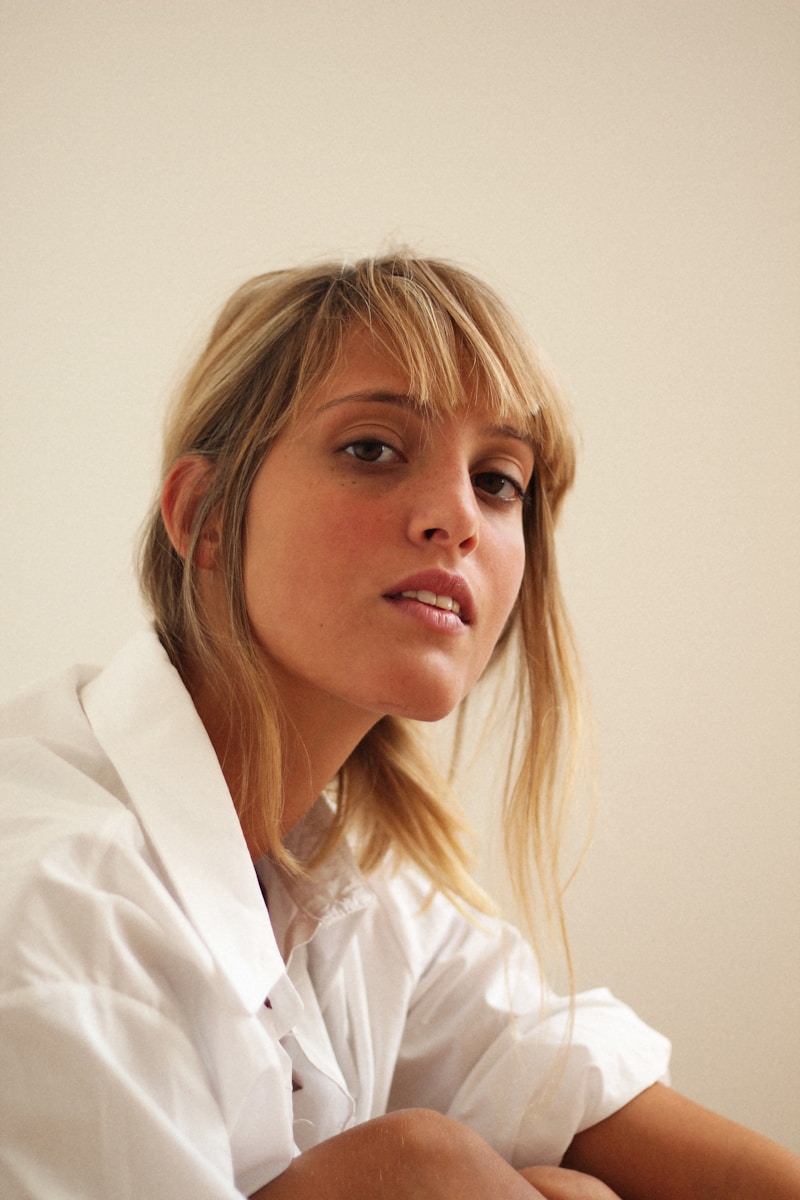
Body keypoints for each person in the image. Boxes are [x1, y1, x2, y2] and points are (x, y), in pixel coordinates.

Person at [0, 254, 797, 1200]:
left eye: (500, 480)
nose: (455, 518)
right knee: (419, 1172)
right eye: (372, 450)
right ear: (205, 517)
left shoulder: (347, 880)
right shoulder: (57, 900)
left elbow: (570, 1087)